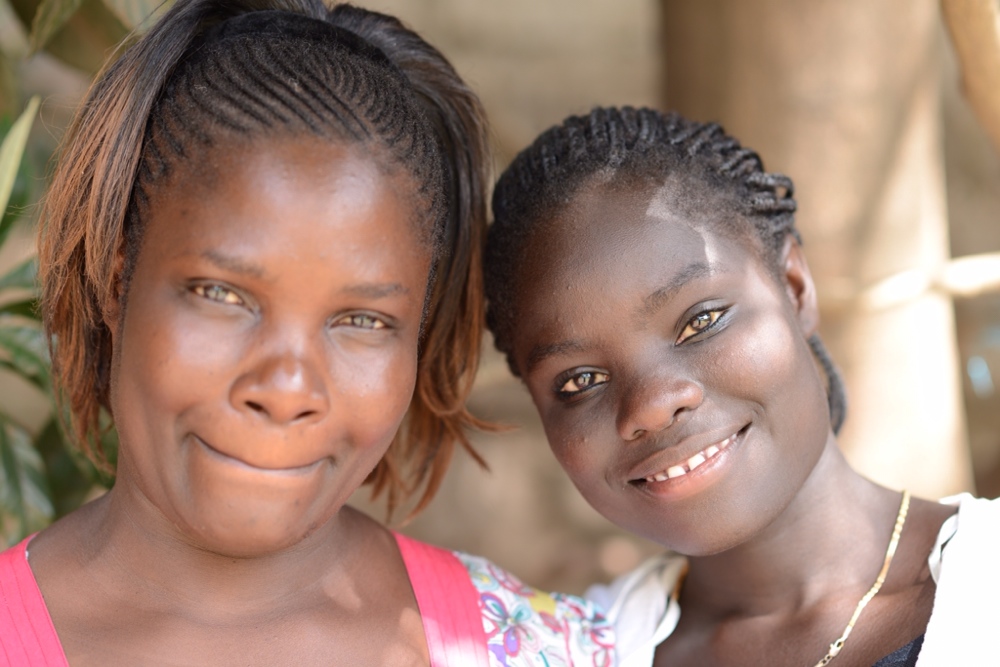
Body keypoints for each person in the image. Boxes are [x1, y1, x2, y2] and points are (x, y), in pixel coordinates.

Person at [0, 3, 612, 664]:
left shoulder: (540, 648)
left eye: (363, 321)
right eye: (221, 294)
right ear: (116, 281)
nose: (287, 389)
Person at [483, 106, 999, 667]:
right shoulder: (569, 652)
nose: (651, 406)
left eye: (701, 321)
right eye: (581, 380)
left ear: (795, 288)